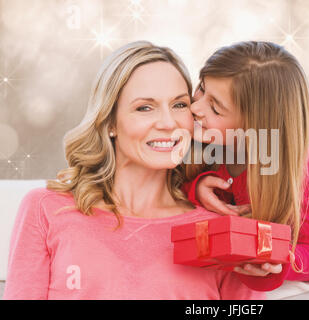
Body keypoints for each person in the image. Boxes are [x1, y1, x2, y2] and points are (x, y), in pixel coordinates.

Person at [3, 41, 265, 300]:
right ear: (109, 123)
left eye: (179, 105)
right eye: (144, 108)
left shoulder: (219, 229)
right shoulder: (46, 209)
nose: (167, 122)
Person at [183, 41, 309, 291]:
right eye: (201, 88)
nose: (194, 107)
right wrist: (195, 189)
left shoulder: (293, 171)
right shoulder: (190, 136)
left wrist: (282, 260)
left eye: (215, 108)